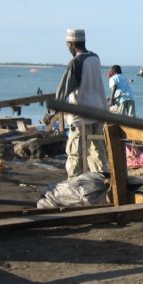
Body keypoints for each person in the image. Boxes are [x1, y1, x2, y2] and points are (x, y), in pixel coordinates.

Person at [51, 28, 108, 178]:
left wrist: (51, 112)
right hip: (98, 111)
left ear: (72, 43)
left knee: (76, 154)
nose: (67, 48)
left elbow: (62, 90)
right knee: (97, 152)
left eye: (67, 44)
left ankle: (73, 185)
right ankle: (103, 182)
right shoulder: (95, 58)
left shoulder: (76, 62)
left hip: (81, 115)